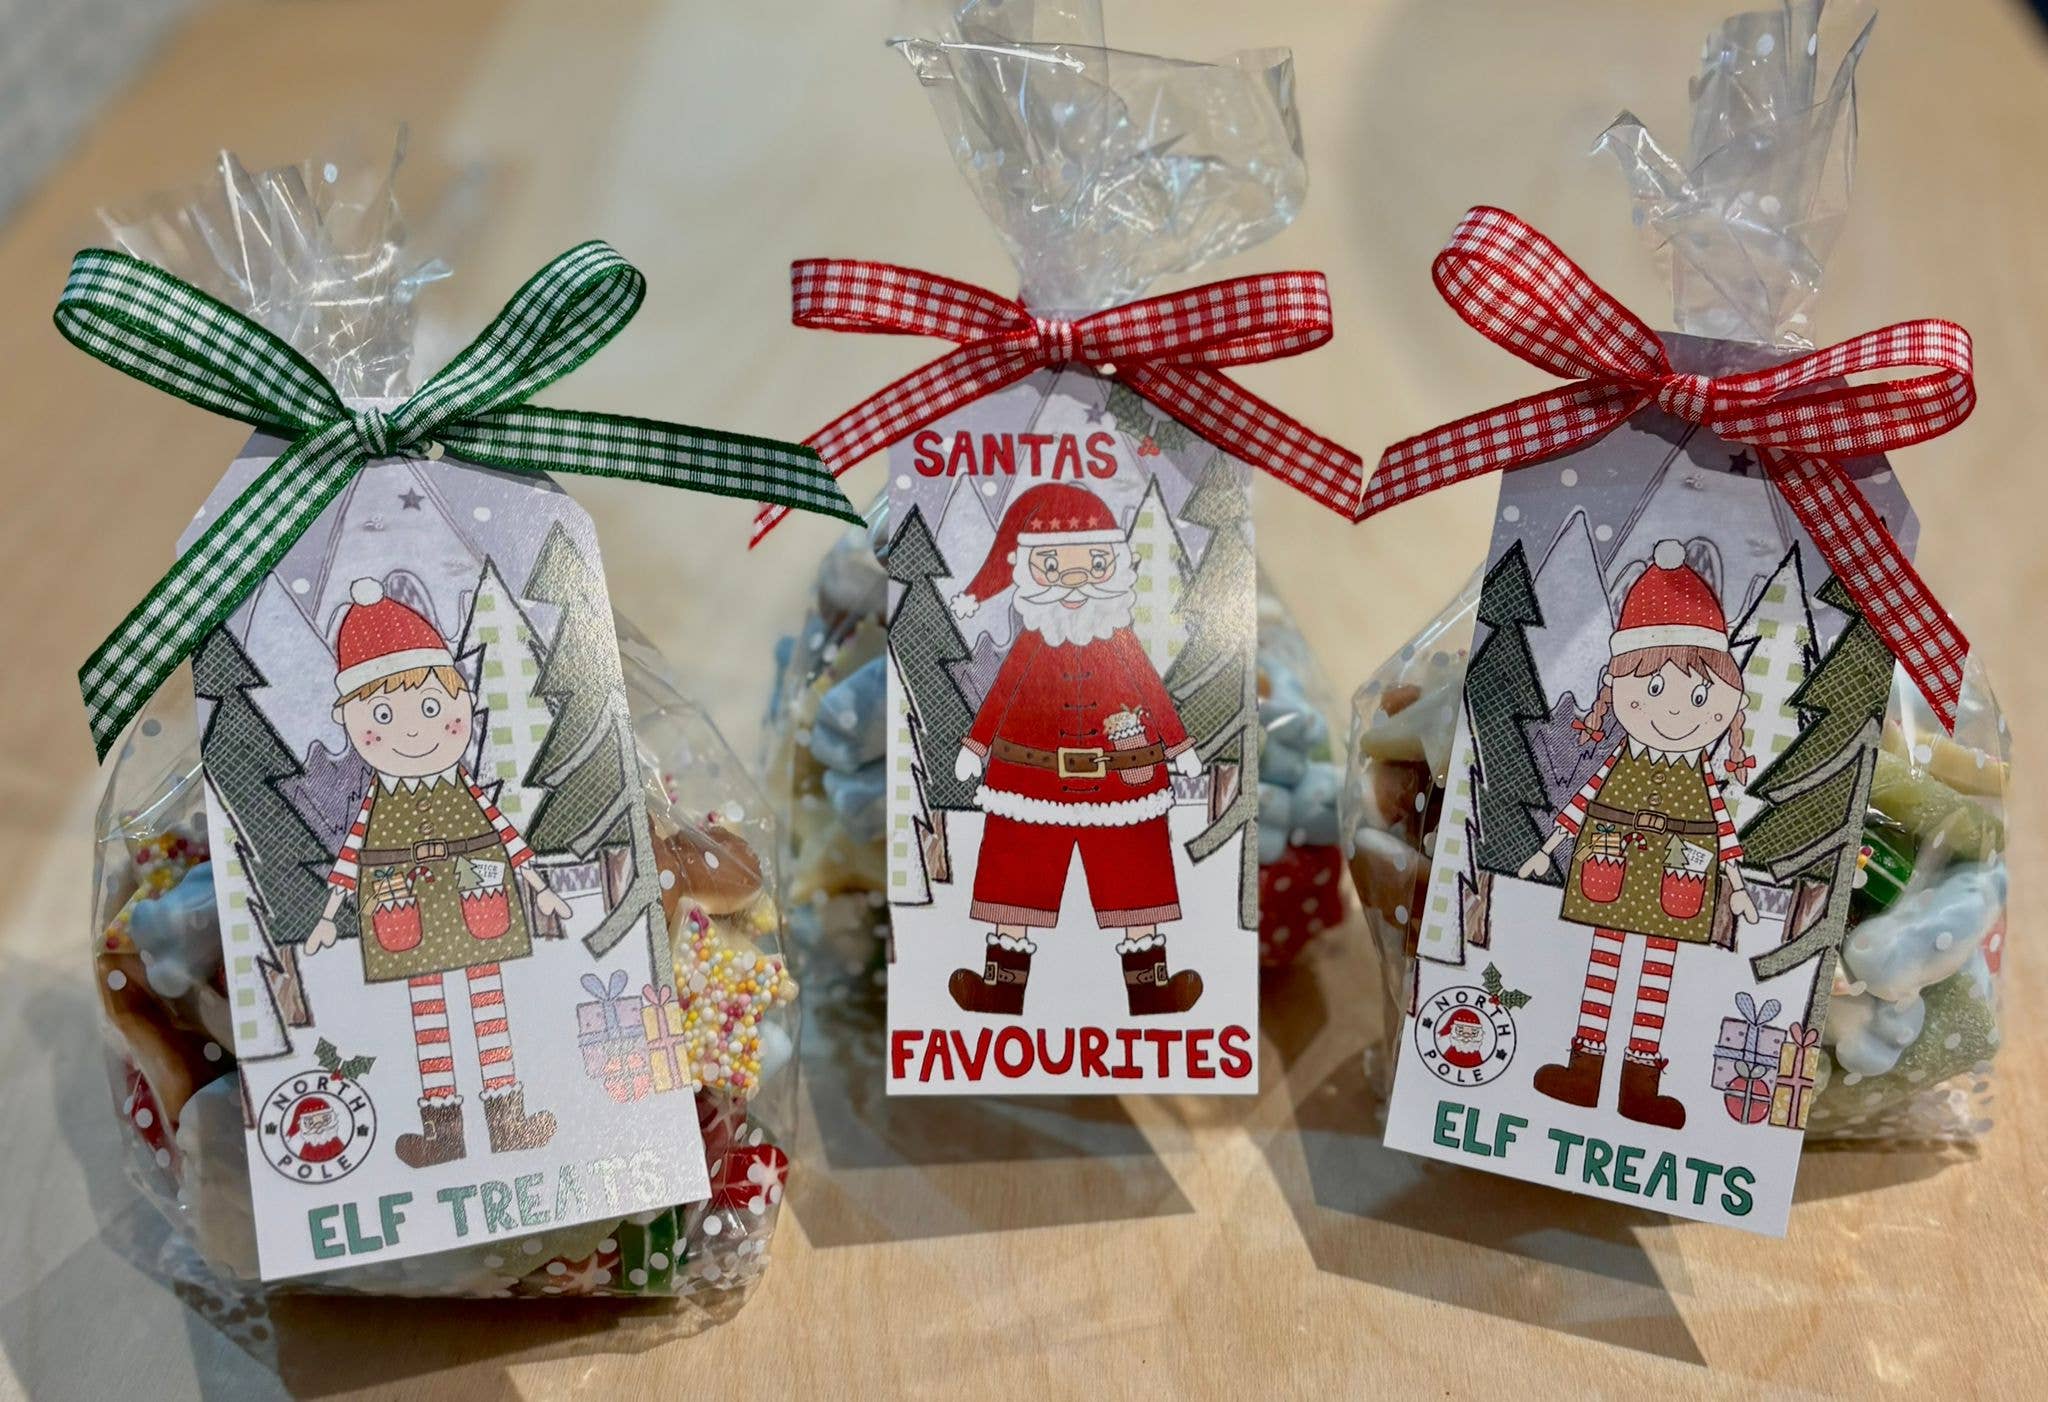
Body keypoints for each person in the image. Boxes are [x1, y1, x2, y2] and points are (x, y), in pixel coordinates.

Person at [304, 578, 572, 1166]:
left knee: (488, 1000)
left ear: (459, 701)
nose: (412, 730)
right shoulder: (377, 800)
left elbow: (505, 833)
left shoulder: (464, 787)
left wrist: (541, 889)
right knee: (428, 1014)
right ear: (352, 722)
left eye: (430, 708)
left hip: (477, 892)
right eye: (382, 714)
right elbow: (351, 853)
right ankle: (443, 1133)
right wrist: (327, 918)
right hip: (402, 903)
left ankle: (508, 1119)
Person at [1517, 541, 1760, 1128]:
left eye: (1699, 696)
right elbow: (1582, 801)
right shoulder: (1619, 759)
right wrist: (1547, 850)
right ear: (1617, 686)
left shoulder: (1702, 773)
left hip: (1679, 875)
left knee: (1657, 974)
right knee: (1603, 962)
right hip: (1613, 865)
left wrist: (1737, 885)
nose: (1676, 711)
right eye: (1653, 689)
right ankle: (1584, 1071)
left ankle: (1639, 1085)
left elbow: (1723, 826)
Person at [946, 483, 1206, 1017]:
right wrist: (976, 744)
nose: (1074, 581)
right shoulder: (1031, 641)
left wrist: (1178, 745)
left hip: (1122, 781)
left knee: (1136, 878)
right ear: (1028, 573)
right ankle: (1000, 988)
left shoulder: (1121, 640)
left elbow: (1151, 690)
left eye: (1093, 565)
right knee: (1015, 877)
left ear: (1113, 567)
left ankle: (1151, 989)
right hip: (1030, 782)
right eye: (1052, 568)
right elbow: (1002, 693)